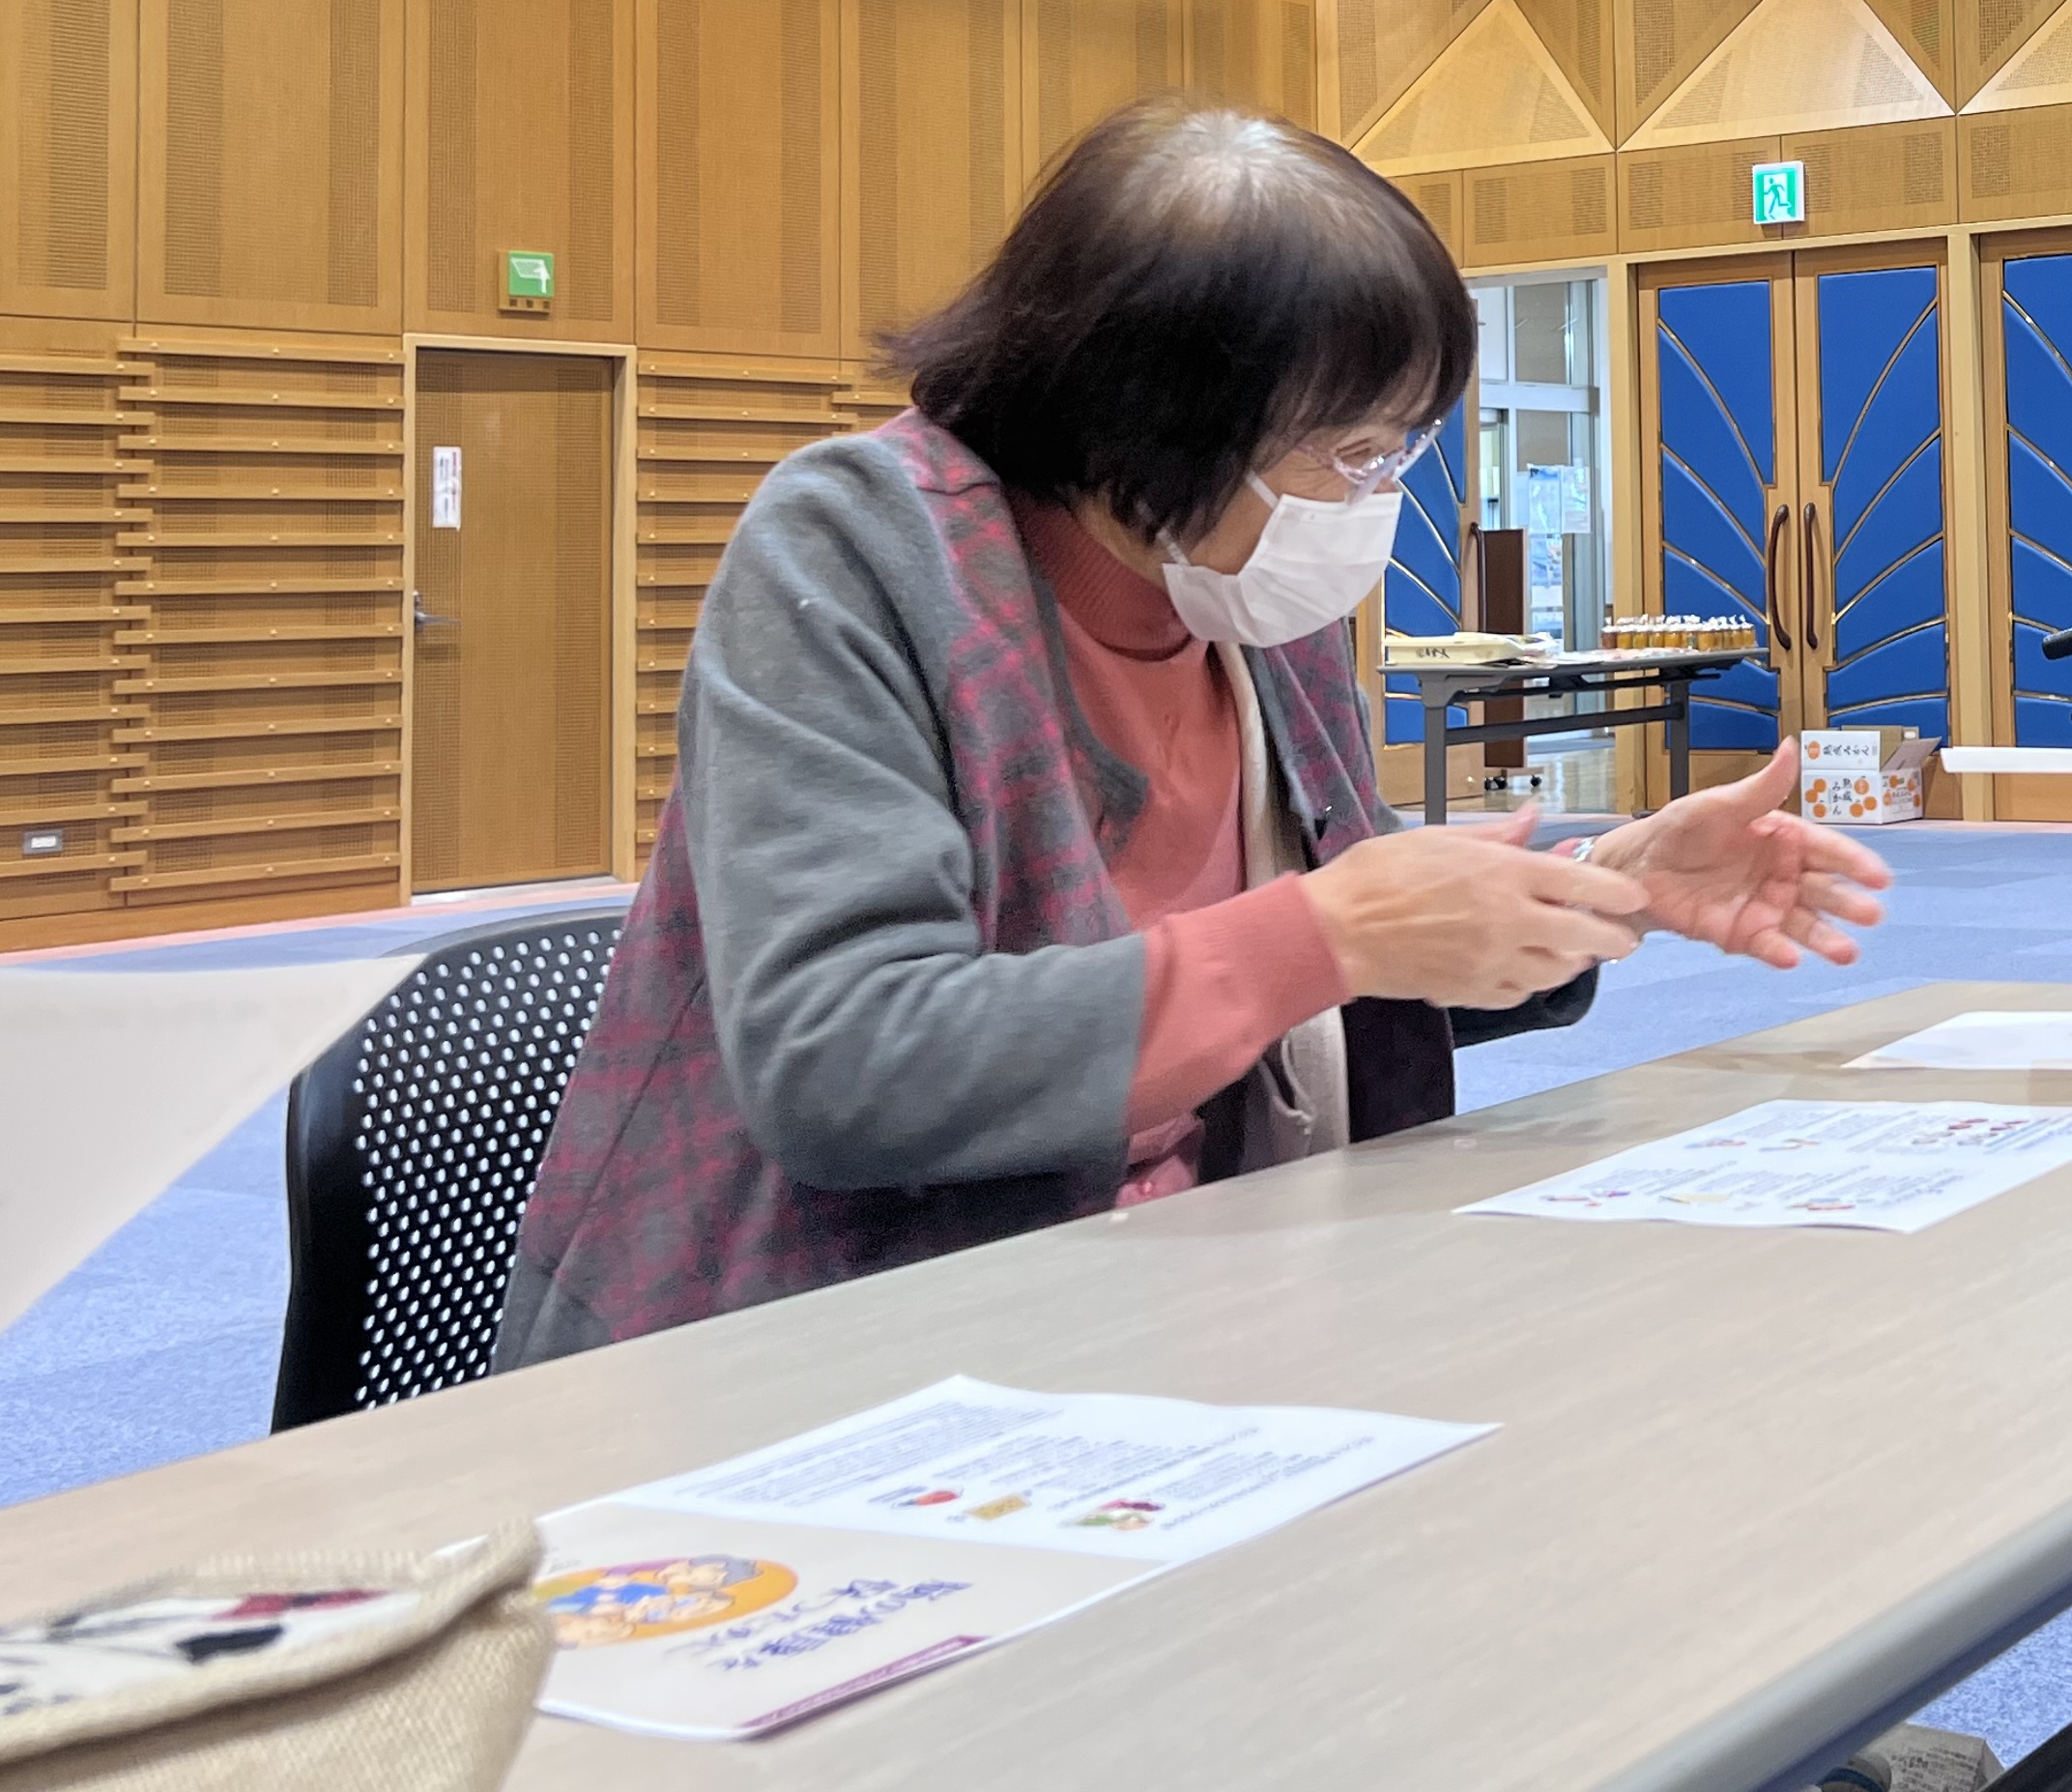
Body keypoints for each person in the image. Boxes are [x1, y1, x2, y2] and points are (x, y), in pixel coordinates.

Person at [502, 101, 1889, 1363]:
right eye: (1350, 452)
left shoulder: (1241, 593)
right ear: (1154, 425)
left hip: (1193, 1294)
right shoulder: (859, 551)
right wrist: (1328, 933)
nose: (1376, 496)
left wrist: (1604, 890)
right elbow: (844, 1062)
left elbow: (1338, 958)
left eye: (1398, 448)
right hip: (843, 1340)